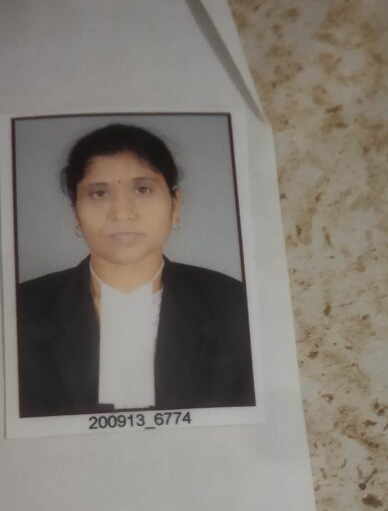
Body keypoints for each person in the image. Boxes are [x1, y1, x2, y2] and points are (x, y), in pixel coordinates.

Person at [17, 123, 255, 417]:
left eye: (143, 189)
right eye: (99, 193)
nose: (122, 212)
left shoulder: (234, 305)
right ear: (76, 214)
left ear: (175, 205)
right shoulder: (22, 310)